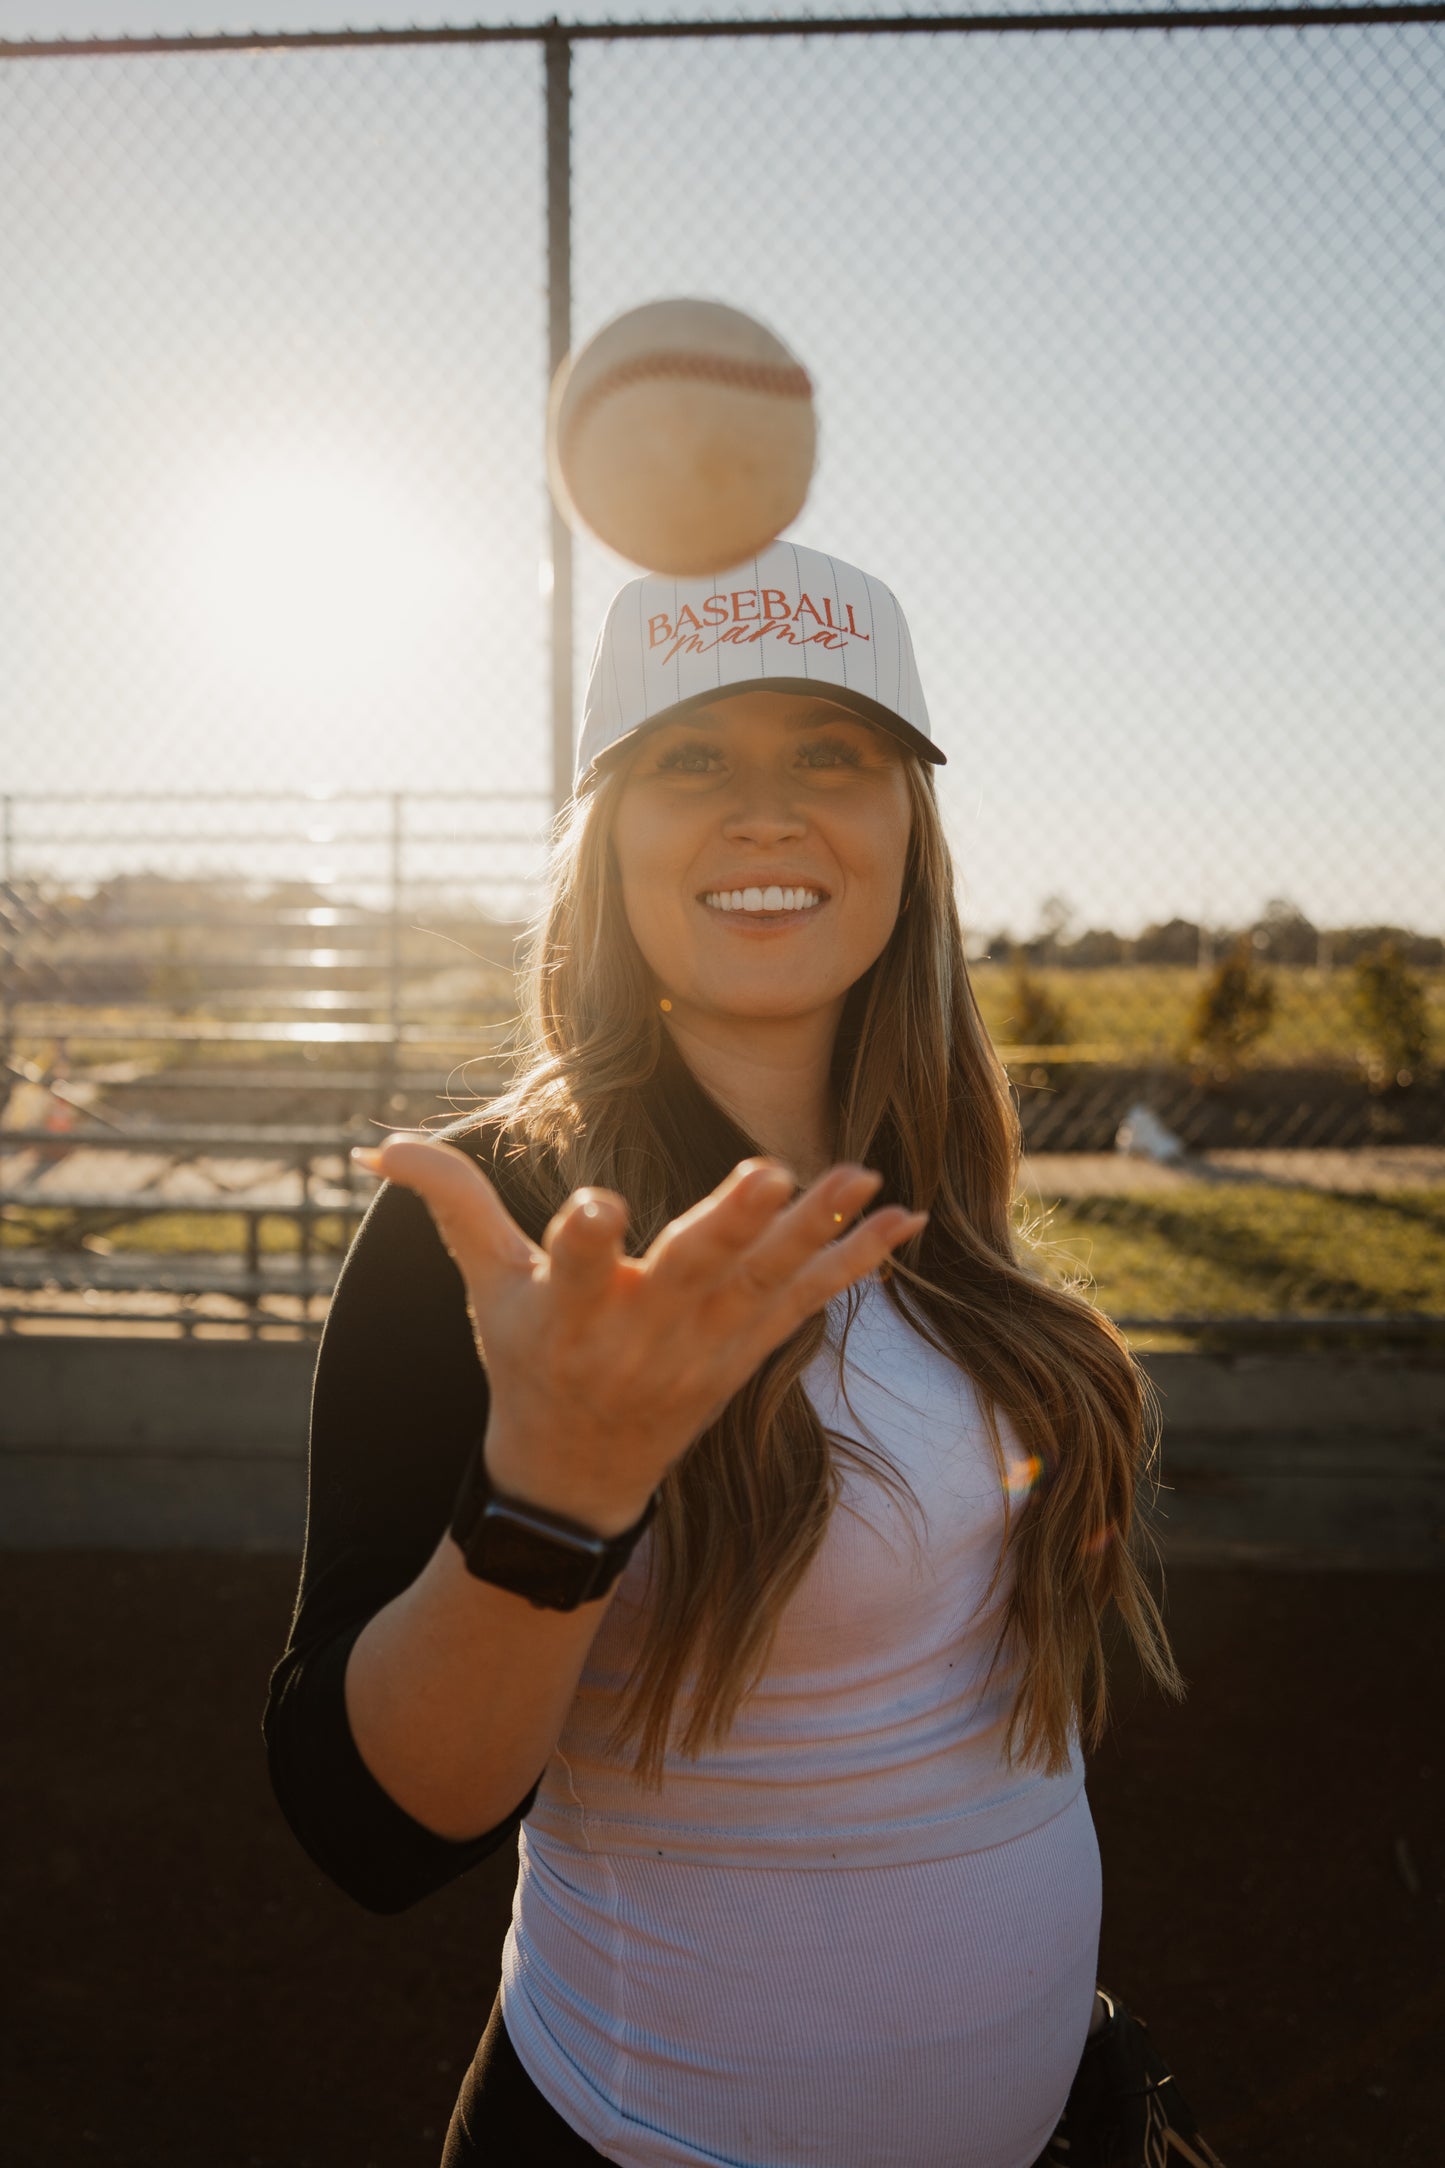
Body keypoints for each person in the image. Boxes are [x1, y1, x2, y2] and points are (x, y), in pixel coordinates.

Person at [264, 541, 1224, 2168]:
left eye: (830, 756)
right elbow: (374, 1828)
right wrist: (551, 1492)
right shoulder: (505, 1222)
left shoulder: (946, 1194)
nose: (764, 809)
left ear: (905, 831)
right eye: (690, 757)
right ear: (607, 841)